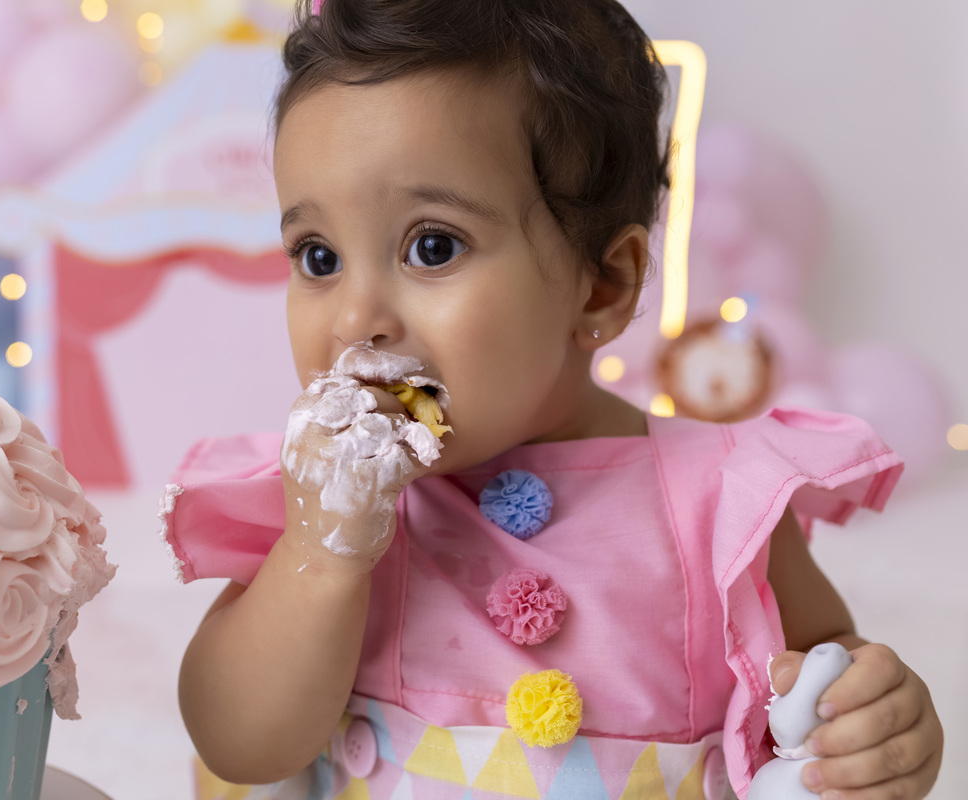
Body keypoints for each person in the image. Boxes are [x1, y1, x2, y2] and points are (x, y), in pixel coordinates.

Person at [163, 1, 944, 797]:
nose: (357, 318)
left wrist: (870, 725)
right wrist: (319, 558)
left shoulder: (720, 502)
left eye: (431, 246)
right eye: (319, 256)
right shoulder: (328, 512)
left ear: (602, 286)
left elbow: (818, 686)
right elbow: (238, 745)